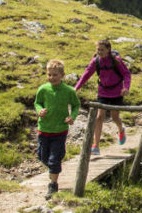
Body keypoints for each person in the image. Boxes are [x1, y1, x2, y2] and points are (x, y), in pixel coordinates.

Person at [34, 59, 81, 199]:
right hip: (44, 129)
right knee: (42, 156)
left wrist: (72, 117)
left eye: (55, 75)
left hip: (60, 130)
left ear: (62, 75)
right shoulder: (43, 89)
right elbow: (37, 103)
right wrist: (39, 110)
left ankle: (53, 184)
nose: (52, 78)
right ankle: (56, 163)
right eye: (49, 75)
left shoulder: (68, 91)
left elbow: (76, 105)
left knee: (54, 160)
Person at [75, 39, 131, 156]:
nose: (99, 52)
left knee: (115, 117)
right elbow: (86, 74)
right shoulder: (96, 61)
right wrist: (77, 87)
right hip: (103, 92)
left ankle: (121, 130)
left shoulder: (116, 60)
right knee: (99, 117)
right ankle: (96, 145)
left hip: (116, 92)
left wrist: (126, 87)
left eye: (102, 50)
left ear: (108, 50)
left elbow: (126, 74)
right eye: (98, 49)